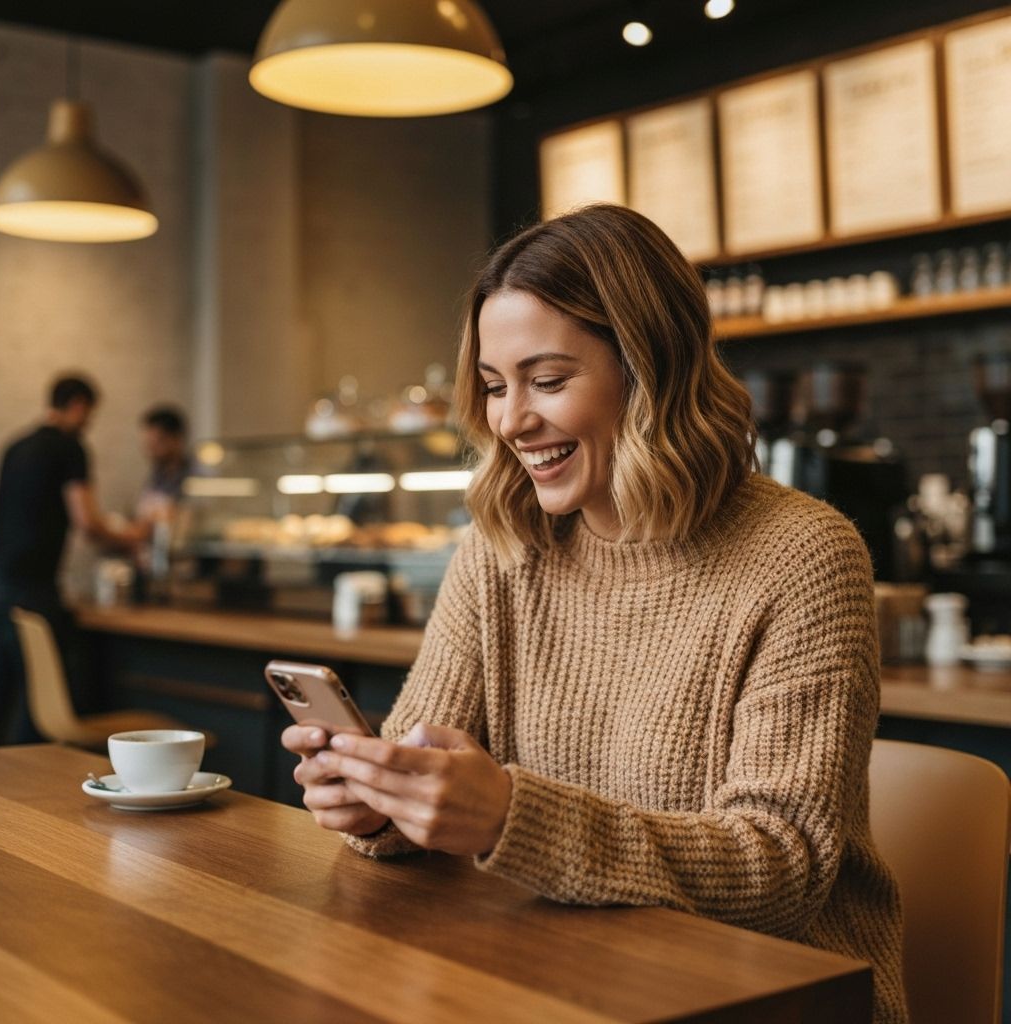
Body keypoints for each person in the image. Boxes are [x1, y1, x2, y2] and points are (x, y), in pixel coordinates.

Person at [282, 205, 907, 1023]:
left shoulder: (803, 555)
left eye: (548, 381)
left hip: (770, 998)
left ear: (649, 371)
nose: (511, 421)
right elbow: (425, 761)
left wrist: (510, 816)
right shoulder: (504, 546)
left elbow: (781, 869)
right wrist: (380, 801)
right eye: (497, 388)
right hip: (558, 977)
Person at [0, 375, 144, 744]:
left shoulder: (16, 446)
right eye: (89, 414)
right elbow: (86, 521)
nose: (88, 423)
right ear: (77, 406)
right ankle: (34, 781)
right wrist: (135, 535)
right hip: (30, 587)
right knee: (41, 698)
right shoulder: (69, 448)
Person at [135, 404, 190, 526]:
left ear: (177, 439)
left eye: (156, 443)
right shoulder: (157, 474)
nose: (150, 450)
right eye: (148, 444)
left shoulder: (195, 475)